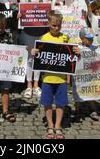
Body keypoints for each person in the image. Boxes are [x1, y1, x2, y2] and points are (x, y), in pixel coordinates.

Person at [31, 10, 79, 140]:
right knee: (47, 103)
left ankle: (58, 126)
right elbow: (37, 56)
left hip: (61, 79)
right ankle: (50, 126)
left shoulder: (66, 38)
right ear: (48, 24)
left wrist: (77, 51)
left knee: (60, 103)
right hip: (47, 78)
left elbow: (73, 55)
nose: (56, 28)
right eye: (53, 25)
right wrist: (34, 52)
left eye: (58, 25)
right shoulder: (44, 38)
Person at [72, 28, 100, 122]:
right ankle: (77, 111)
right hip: (79, 77)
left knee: (91, 93)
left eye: (92, 38)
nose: (91, 40)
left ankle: (93, 110)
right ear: (82, 38)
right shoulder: (77, 47)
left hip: (90, 76)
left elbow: (99, 58)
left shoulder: (95, 48)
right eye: (88, 38)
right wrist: (76, 52)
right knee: (78, 94)